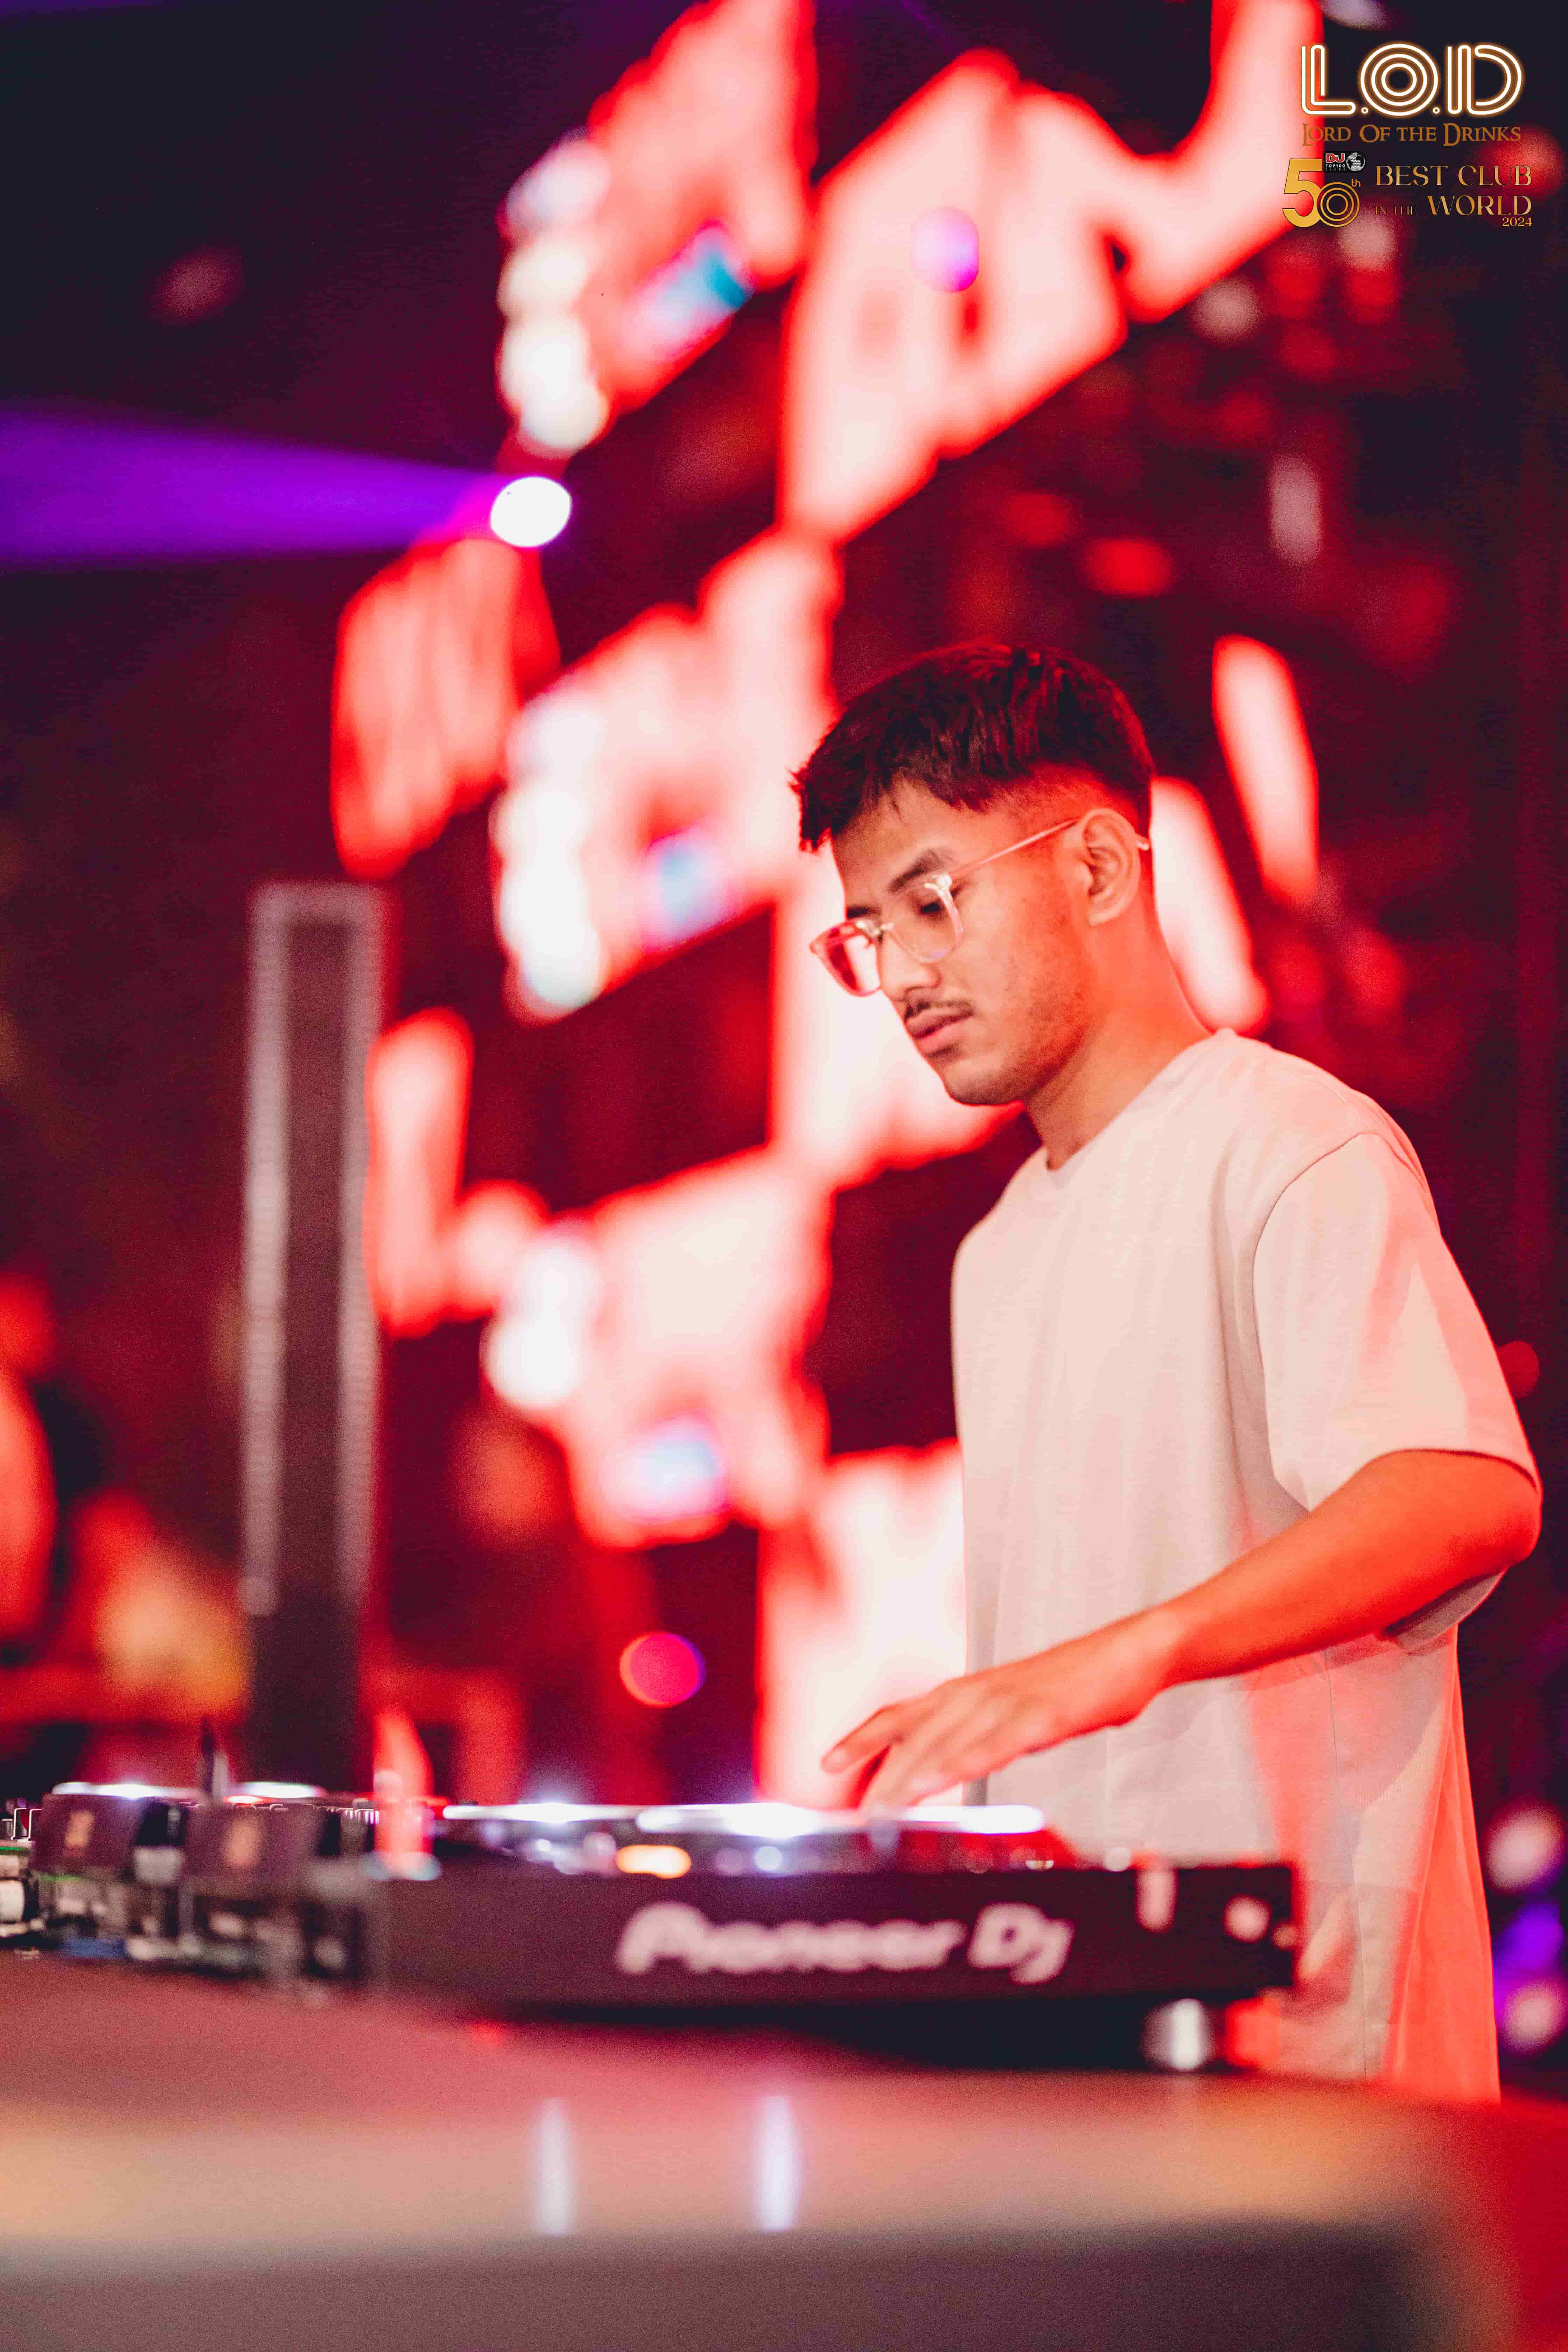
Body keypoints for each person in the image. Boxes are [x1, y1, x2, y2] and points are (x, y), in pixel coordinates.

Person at [794, 644, 1540, 2098]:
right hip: (1086, 2009)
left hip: (1304, 2031)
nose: (904, 976)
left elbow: (1465, 1494)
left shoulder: (1292, 1144)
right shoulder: (996, 1249)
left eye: (934, 902)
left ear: (1094, 867)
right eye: (867, 935)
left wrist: (1124, 1656)